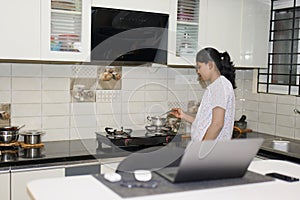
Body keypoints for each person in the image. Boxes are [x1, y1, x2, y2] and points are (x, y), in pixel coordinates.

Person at [171, 47, 236, 141]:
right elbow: (204, 123)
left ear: (210, 65)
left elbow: (217, 124)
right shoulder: (216, 86)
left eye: (199, 67)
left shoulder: (220, 86)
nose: (198, 71)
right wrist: (184, 116)